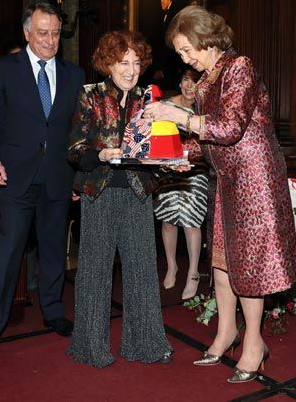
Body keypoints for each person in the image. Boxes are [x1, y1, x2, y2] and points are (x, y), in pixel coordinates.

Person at [146, 6, 296, 383]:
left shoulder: (238, 67)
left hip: (253, 177)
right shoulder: (206, 79)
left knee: (248, 264)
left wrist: (177, 115)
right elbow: (209, 136)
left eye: (187, 50)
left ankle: (254, 342)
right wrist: (184, 156)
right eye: (180, 53)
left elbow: (231, 127)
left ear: (207, 38)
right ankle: (226, 331)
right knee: (221, 260)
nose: (184, 59)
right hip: (226, 175)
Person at [0, 2, 85, 361]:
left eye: (55, 33)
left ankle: (53, 312)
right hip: (15, 176)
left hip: (57, 175)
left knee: (54, 250)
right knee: (7, 254)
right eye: (42, 32)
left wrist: (78, 175)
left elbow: (78, 130)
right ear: (26, 33)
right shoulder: (5, 69)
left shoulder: (74, 74)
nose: (50, 40)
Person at [66, 30, 173, 368]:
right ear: (107, 64)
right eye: (122, 62)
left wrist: (170, 162)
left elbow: (161, 150)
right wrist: (100, 154)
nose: (130, 70)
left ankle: (145, 345)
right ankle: (90, 347)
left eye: (136, 63)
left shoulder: (150, 101)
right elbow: (74, 150)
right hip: (99, 193)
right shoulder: (90, 96)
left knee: (142, 273)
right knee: (95, 273)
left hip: (138, 194)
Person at [153, 68, 208, 300]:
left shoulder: (206, 108)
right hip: (167, 169)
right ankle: (172, 265)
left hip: (196, 169)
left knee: (191, 221)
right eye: (186, 80)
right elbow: (154, 134)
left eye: (194, 82)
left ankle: (194, 272)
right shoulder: (166, 105)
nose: (189, 86)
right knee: (167, 221)